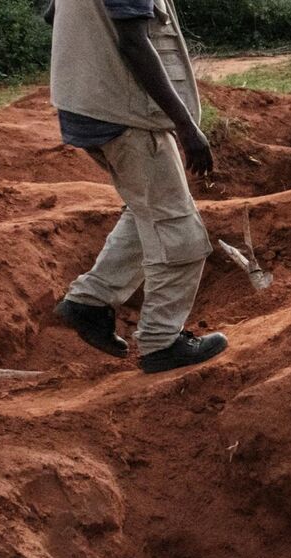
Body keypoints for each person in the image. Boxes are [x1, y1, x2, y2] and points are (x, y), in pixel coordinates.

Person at [46, 0, 228, 373]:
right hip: (123, 114)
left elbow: (53, 12)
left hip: (88, 106)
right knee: (178, 229)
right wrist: (186, 126)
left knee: (147, 210)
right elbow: (133, 42)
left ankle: (90, 302)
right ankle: (162, 342)